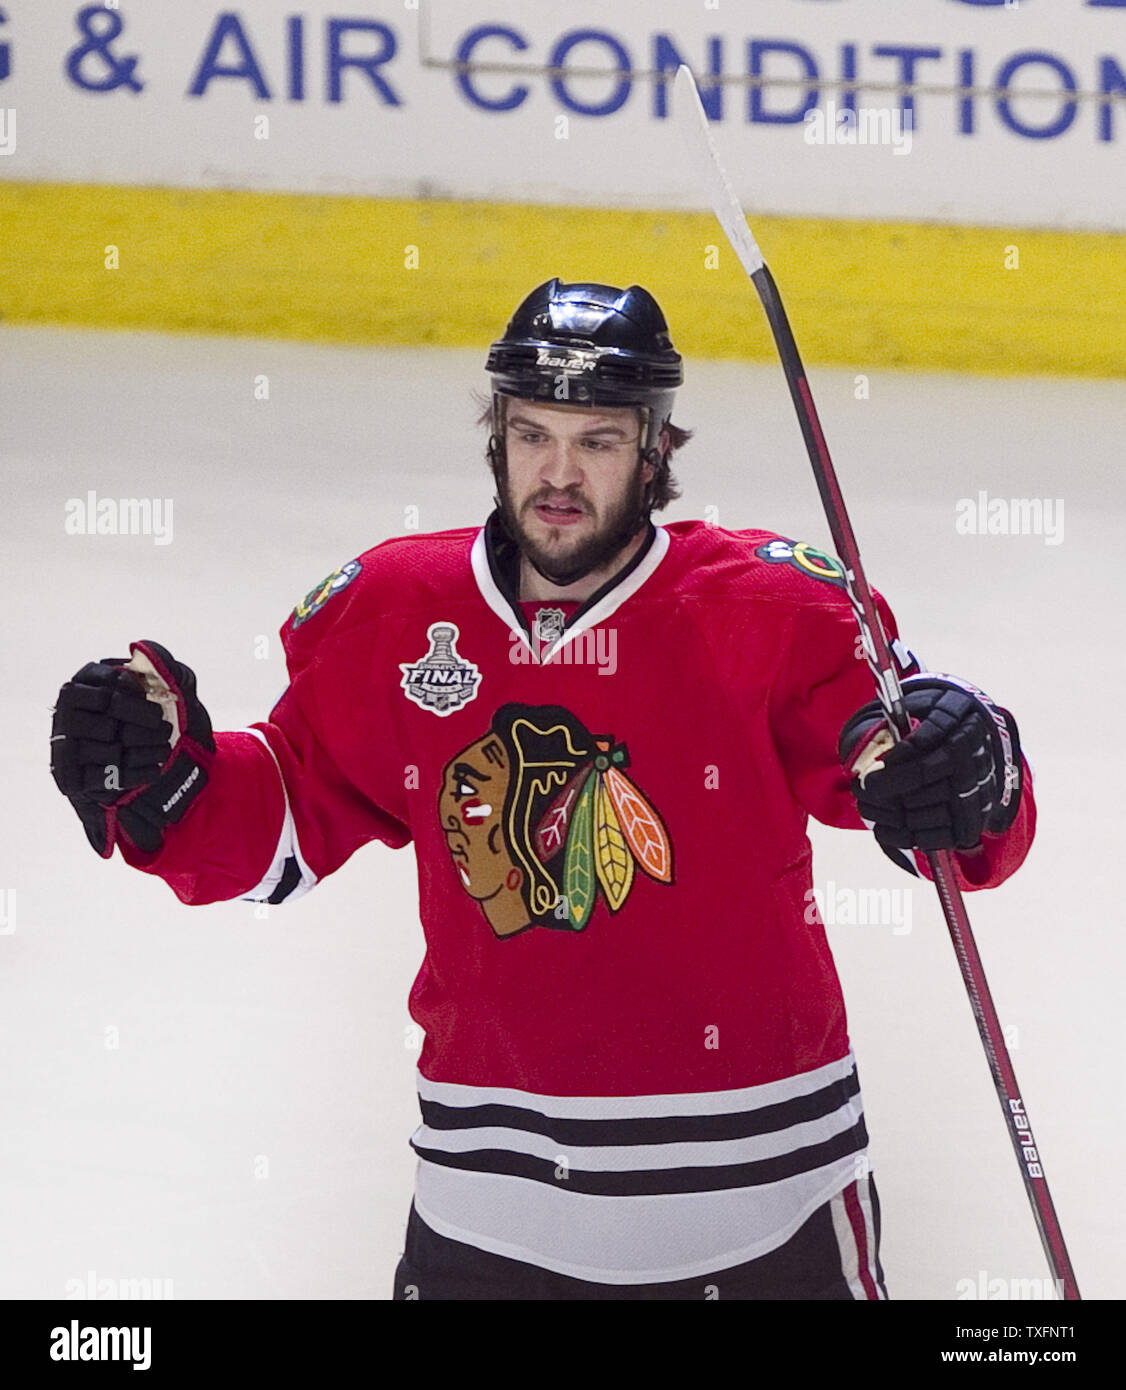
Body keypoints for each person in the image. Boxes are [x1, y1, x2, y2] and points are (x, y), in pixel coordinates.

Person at [49, 279, 1034, 1301]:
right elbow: (281, 824)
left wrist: (969, 764)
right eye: (531, 435)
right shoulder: (396, 612)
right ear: (497, 436)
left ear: (654, 453)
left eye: (598, 442)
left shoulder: (773, 609)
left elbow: (936, 803)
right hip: (485, 1214)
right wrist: (168, 783)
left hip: (764, 1204)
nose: (557, 474)